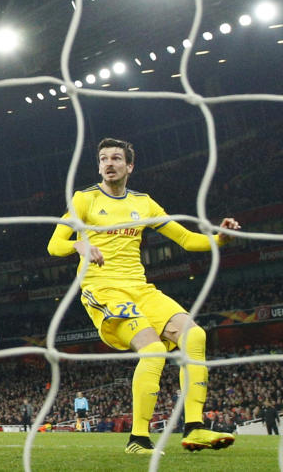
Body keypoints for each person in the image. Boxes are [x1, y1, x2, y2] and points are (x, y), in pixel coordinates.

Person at [47, 137, 241, 454]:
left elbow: (188, 240)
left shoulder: (144, 203)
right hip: (103, 288)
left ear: (129, 166)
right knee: (152, 350)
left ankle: (194, 429)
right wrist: (78, 245)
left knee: (195, 336)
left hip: (141, 288)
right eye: (103, 159)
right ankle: (138, 439)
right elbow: (54, 245)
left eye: (116, 158)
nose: (108, 163)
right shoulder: (85, 200)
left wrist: (219, 239)